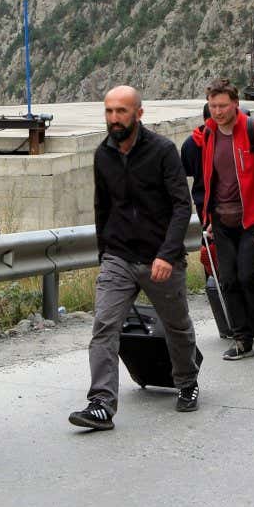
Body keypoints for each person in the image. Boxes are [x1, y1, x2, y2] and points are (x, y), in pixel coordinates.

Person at [69, 86, 201, 430]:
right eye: (109, 111)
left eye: (121, 111)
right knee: (104, 326)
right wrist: (105, 253)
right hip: (119, 257)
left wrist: (167, 254)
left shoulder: (162, 151)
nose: (114, 118)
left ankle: (187, 381)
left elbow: (181, 206)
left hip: (161, 258)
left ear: (138, 114)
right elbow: (103, 207)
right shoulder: (103, 155)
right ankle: (101, 403)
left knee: (177, 325)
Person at [193, 79, 254, 359]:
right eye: (213, 106)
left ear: (235, 104)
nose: (217, 111)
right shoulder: (208, 134)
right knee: (228, 279)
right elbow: (209, 179)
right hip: (221, 220)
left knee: (248, 274)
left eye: (222, 106)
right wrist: (208, 217)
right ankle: (241, 337)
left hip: (252, 218)